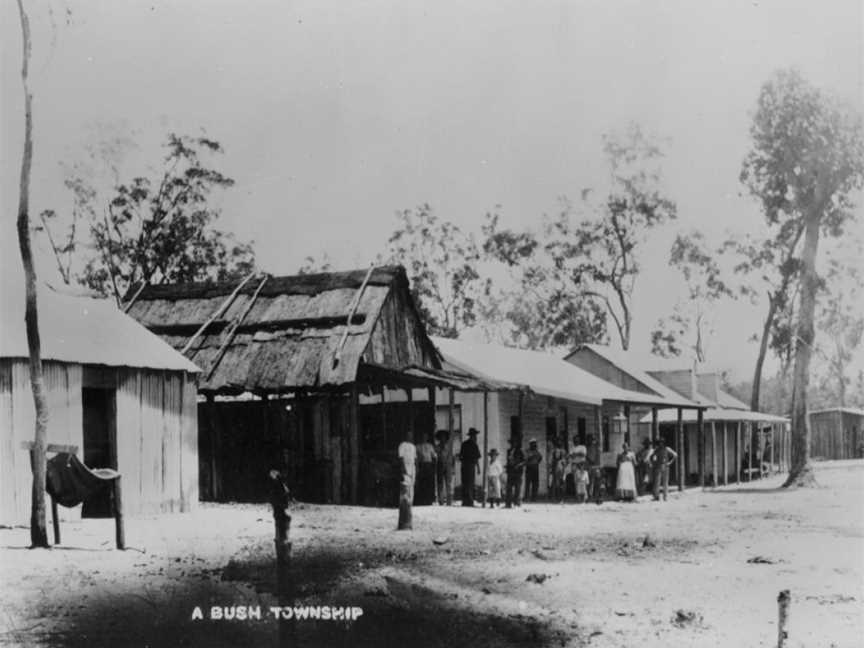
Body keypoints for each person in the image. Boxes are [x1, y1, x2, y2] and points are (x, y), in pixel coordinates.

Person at [459, 428, 481, 506]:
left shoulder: (466, 444)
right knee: (468, 483)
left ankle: (467, 501)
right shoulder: (471, 445)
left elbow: (476, 458)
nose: (475, 437)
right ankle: (468, 501)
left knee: (467, 483)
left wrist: (478, 468)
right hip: (469, 466)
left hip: (467, 466)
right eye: (474, 435)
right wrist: (478, 468)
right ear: (471, 436)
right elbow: (476, 458)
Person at [415, 432, 437, 505]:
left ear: (427, 438)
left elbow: (434, 456)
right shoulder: (417, 446)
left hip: (429, 465)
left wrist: (433, 465)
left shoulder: (430, 446)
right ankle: (421, 500)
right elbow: (416, 457)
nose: (424, 438)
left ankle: (429, 500)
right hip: (421, 465)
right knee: (422, 483)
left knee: (429, 483)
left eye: (425, 437)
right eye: (423, 437)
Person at [435, 430, 455, 505]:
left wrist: (452, 467)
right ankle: (441, 500)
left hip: (448, 465)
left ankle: (449, 500)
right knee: (440, 483)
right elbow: (436, 456)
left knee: (448, 483)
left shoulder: (449, 446)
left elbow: (452, 457)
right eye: (441, 437)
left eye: (444, 437)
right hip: (440, 465)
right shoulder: (437, 447)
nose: (442, 438)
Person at [505, 437, 526, 508]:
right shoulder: (508, 451)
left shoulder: (520, 451)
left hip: (518, 472)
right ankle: (508, 503)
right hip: (510, 471)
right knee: (509, 487)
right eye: (511, 443)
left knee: (517, 488)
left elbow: (524, 461)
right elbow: (508, 460)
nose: (513, 444)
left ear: (516, 443)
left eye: (514, 443)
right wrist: (507, 466)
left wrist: (518, 465)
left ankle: (517, 503)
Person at [397, 439, 417, 503]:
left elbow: (415, 458)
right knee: (405, 486)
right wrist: (403, 468)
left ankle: (410, 503)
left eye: (411, 435)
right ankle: (404, 503)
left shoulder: (413, 446)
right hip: (406, 467)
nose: (410, 437)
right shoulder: (402, 445)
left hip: (412, 467)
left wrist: (416, 467)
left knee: (412, 486)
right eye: (408, 435)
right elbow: (401, 457)